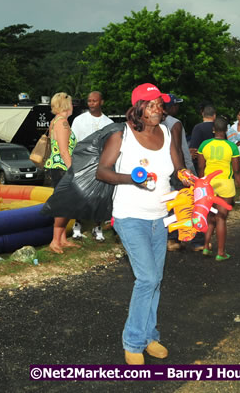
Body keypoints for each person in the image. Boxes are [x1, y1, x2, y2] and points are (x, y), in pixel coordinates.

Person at [96, 83, 189, 365]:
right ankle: (133, 341)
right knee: (147, 278)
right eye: (151, 105)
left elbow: (178, 168)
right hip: (129, 215)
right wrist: (131, 178)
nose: (158, 109)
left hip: (159, 218)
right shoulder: (122, 135)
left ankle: (150, 336)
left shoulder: (166, 132)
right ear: (138, 109)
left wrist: (191, 181)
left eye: (159, 104)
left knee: (155, 280)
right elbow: (103, 172)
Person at [197, 117, 240, 261]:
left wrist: (202, 184)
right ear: (226, 131)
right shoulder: (232, 147)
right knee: (221, 218)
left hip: (209, 184)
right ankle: (221, 252)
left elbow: (200, 167)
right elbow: (237, 171)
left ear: (213, 129)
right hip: (225, 184)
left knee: (210, 216)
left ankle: (206, 246)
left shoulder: (204, 145)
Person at [70, 91, 113, 242]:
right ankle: (77, 226)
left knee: (100, 197)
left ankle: (97, 227)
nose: (92, 104)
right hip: (83, 163)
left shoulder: (108, 123)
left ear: (101, 102)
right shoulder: (79, 120)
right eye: (89, 101)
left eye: (95, 101)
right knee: (81, 195)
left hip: (100, 164)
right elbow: (73, 142)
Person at [43, 92, 80, 252]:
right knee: (64, 205)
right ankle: (55, 241)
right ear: (66, 105)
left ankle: (62, 239)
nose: (73, 106)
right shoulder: (62, 123)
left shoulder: (55, 121)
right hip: (62, 168)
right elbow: (64, 152)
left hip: (56, 167)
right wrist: (73, 172)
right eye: (71, 103)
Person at [161, 94, 195, 252]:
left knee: (168, 202)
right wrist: (182, 170)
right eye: (176, 105)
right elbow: (177, 148)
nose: (178, 108)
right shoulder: (175, 123)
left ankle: (169, 237)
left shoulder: (157, 122)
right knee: (182, 202)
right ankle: (175, 238)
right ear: (170, 107)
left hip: (164, 167)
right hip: (177, 168)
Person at [185, 104, 217, 251]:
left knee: (199, 205)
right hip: (217, 172)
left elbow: (193, 150)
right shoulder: (219, 127)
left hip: (201, 171)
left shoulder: (198, 128)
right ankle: (205, 239)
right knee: (212, 207)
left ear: (202, 114)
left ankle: (198, 239)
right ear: (214, 115)